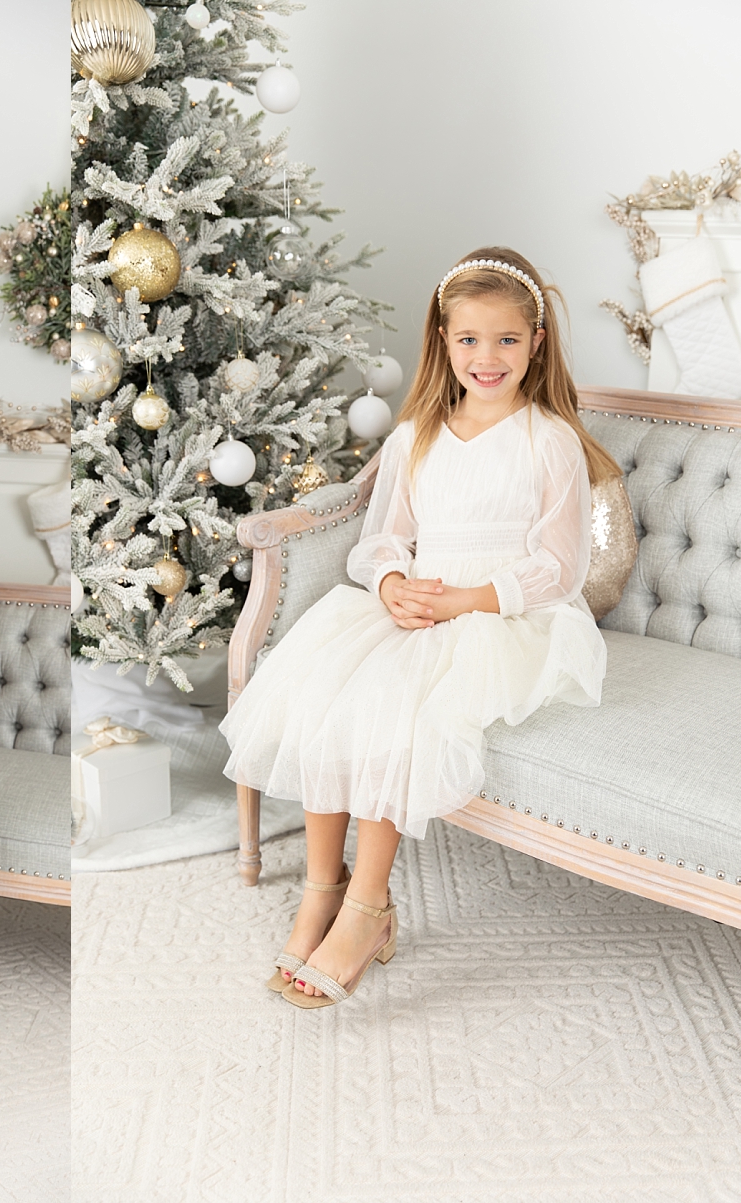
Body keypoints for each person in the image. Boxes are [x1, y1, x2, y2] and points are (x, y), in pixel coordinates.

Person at [222, 247, 616, 1007]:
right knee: (324, 695)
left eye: (506, 339)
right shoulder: (417, 435)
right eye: (468, 339)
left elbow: (558, 568)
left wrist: (464, 602)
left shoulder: (549, 439)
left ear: (536, 340)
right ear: (442, 339)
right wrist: (393, 582)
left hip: (502, 618)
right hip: (417, 604)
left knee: (392, 709)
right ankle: (321, 890)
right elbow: (380, 539)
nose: (487, 357)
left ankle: (368, 908)